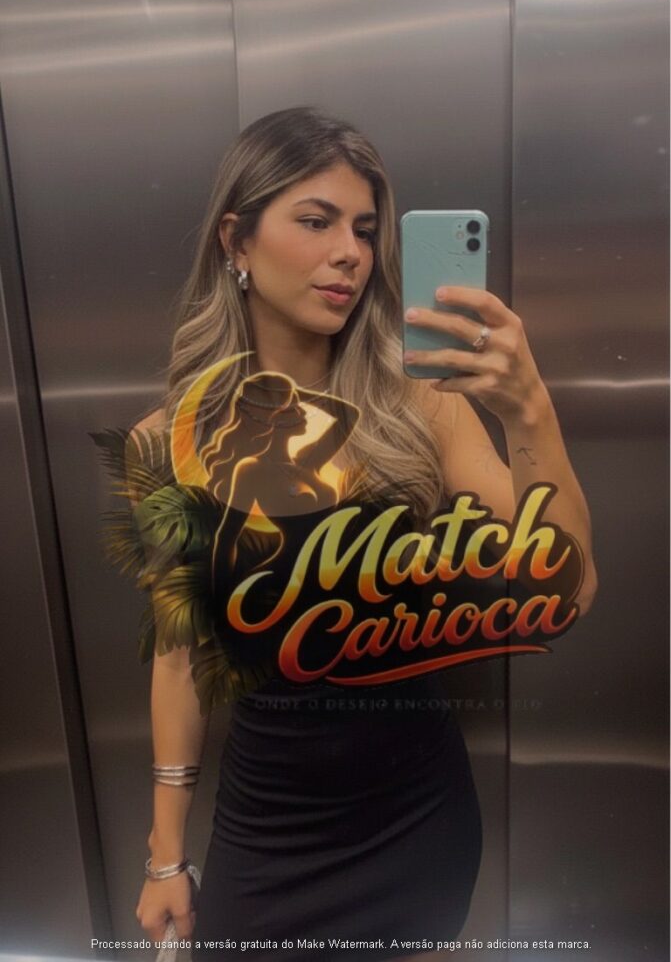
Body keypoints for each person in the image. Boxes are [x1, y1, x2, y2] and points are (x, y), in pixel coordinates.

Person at [130, 106, 597, 961]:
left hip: (415, 821)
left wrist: (529, 411)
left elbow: (564, 591)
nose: (350, 251)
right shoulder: (165, 444)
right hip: (265, 829)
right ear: (236, 240)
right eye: (316, 221)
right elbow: (178, 659)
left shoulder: (420, 407)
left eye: (365, 228)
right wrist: (165, 854)